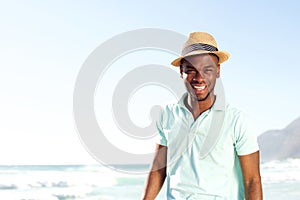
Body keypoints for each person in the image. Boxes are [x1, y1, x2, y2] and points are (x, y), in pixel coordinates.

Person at [142, 32, 262, 200]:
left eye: (207, 70)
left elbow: (252, 181)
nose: (199, 78)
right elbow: (158, 169)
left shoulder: (237, 120)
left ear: (218, 71)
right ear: (181, 71)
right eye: (191, 70)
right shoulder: (166, 114)